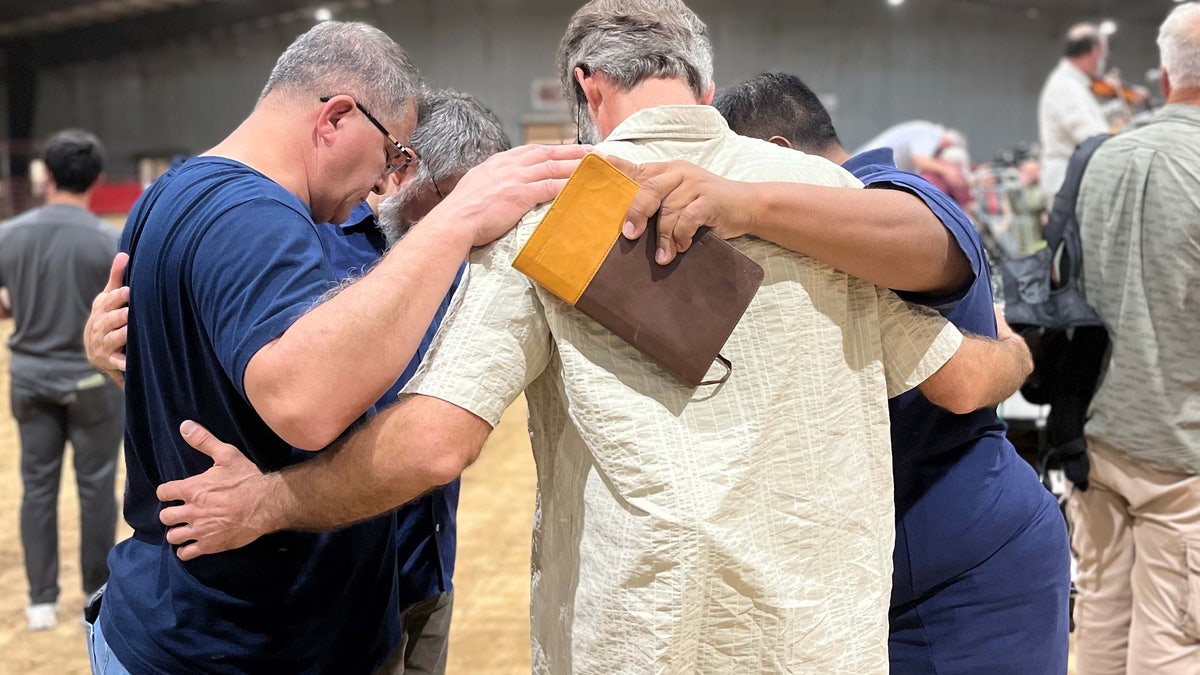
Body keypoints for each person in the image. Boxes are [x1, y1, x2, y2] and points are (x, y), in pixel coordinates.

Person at [153, 2, 1032, 671]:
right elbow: (959, 376)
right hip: (818, 639)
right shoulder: (825, 198)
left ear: (585, 85)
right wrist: (1021, 350)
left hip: (636, 636)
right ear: (702, 82)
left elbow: (433, 443)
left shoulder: (553, 214)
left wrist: (273, 501)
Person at [88, 21, 587, 674]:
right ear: (337, 118)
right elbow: (309, 400)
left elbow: (165, 360)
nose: (388, 177)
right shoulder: (255, 219)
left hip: (205, 621)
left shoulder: (170, 196)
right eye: (392, 151)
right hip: (244, 640)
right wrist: (458, 220)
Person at [713, 71, 1069, 674]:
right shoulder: (811, 233)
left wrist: (748, 202)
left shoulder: (889, 195)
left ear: (776, 155)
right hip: (895, 566)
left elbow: (961, 376)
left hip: (966, 561)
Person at [1071, 4, 1200, 673]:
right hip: (1183, 454)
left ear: (1162, 74)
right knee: (1174, 638)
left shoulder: (1102, 157)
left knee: (1098, 621)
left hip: (1096, 436)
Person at [0, 129, 124, 633]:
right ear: (95, 178)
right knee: (96, 490)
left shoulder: (8, 235)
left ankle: (39, 601)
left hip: (29, 378)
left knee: (37, 487)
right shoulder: (106, 240)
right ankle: (92, 596)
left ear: (45, 176)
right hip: (91, 383)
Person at [1037, 22, 1112, 197]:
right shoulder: (1066, 86)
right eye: (1104, 53)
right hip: (1067, 184)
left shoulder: (1072, 84)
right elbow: (1092, 138)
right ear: (1094, 52)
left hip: (1070, 181)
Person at [854, 120, 969, 194]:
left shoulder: (928, 133)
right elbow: (920, 160)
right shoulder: (930, 135)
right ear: (947, 144)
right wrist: (946, 171)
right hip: (867, 168)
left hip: (871, 169)